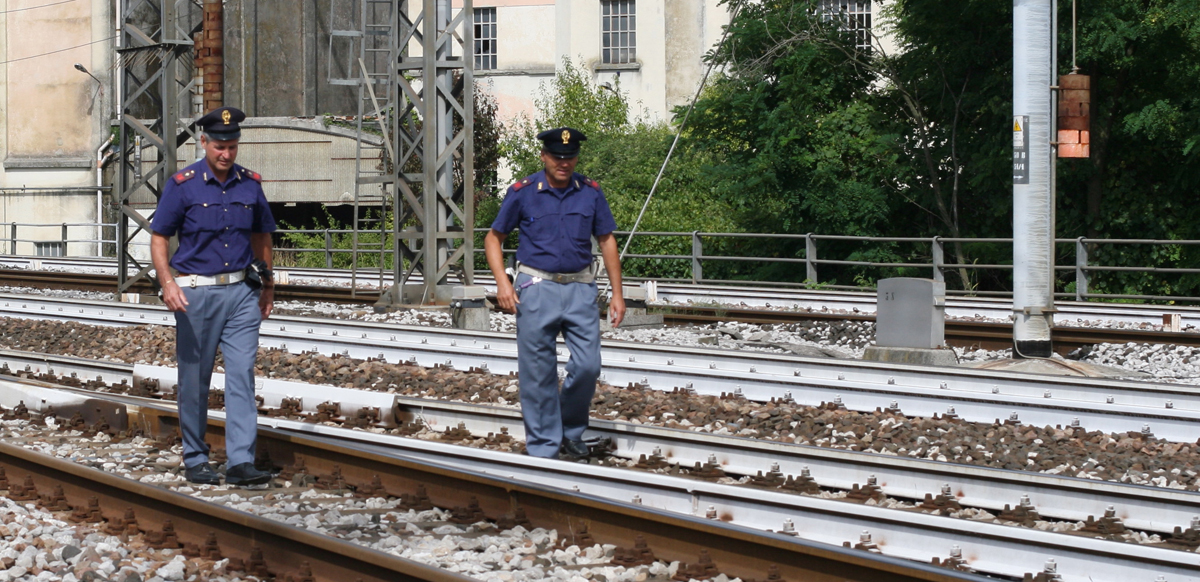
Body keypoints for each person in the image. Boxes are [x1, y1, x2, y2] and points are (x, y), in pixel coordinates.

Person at [150, 106, 275, 486]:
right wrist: (167, 283)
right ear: (204, 142)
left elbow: (262, 235)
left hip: (241, 293)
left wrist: (268, 287)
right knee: (195, 380)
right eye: (220, 146)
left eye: (232, 146)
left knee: (241, 376)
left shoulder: (250, 184)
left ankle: (240, 462)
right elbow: (159, 237)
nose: (226, 153)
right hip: (195, 294)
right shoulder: (183, 185)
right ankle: (195, 457)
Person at [484, 127, 626, 460]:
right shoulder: (523, 192)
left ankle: (570, 429)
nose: (564, 163)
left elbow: (606, 240)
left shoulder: (590, 192)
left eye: (570, 157)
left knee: (588, 366)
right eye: (557, 157)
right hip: (536, 287)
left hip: (580, 288)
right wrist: (503, 283)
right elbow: (493, 239)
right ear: (544, 156)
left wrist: (617, 294)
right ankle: (545, 447)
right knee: (538, 373)